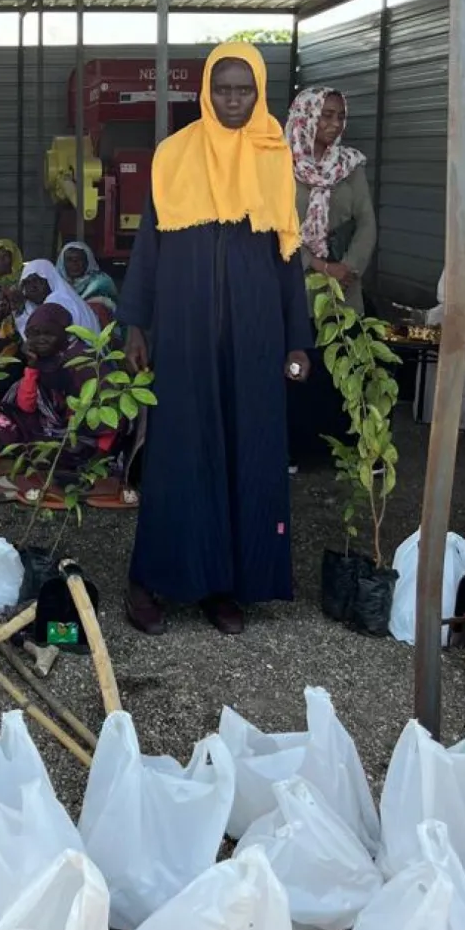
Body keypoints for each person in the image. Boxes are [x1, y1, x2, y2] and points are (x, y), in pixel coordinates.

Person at [117, 43, 312, 638]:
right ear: (206, 91)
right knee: (178, 455)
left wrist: (296, 340)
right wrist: (136, 324)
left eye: (243, 89)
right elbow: (149, 247)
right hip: (185, 335)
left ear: (259, 92)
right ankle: (150, 580)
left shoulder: (274, 155)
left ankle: (225, 585)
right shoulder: (175, 155)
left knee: (246, 454)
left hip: (254, 338)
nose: (232, 100)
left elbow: (287, 255)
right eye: (222, 89)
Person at [0, 303, 104, 477]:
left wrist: (100, 456)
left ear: (64, 333)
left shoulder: (81, 360)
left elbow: (107, 420)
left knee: (57, 449)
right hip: (48, 429)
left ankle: (22, 465)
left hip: (79, 437)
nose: (41, 339)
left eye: (49, 334)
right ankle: (22, 461)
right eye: (35, 334)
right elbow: (26, 406)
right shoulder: (41, 360)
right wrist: (32, 366)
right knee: (2, 415)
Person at [285, 88, 376, 313]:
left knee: (342, 333)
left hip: (343, 288)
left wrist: (348, 267)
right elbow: (275, 228)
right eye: (326, 115)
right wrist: (319, 265)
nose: (335, 124)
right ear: (305, 116)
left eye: (341, 117)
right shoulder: (280, 165)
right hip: (294, 281)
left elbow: (366, 222)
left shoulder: (349, 164)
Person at [14, 258, 100, 338]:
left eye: (37, 281)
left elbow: (35, 341)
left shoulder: (56, 301)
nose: (33, 287)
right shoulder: (62, 297)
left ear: (51, 280)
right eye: (27, 283)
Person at [57, 240, 119, 325]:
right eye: (69, 260)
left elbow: (112, 309)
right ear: (63, 263)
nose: (75, 264)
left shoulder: (101, 282)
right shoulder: (57, 283)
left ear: (88, 262)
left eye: (79, 259)